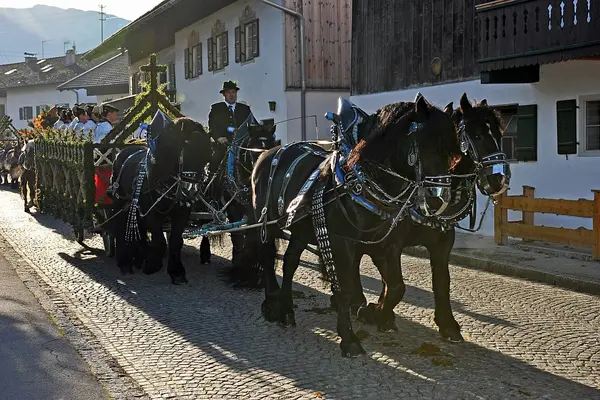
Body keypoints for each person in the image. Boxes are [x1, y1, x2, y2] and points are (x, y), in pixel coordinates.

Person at [207, 81, 253, 180]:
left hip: (242, 145)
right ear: (224, 94)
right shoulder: (216, 109)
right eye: (229, 92)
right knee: (215, 160)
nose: (232, 95)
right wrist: (218, 137)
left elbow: (251, 124)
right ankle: (210, 185)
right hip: (224, 145)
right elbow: (212, 126)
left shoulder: (245, 109)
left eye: (233, 92)